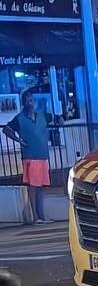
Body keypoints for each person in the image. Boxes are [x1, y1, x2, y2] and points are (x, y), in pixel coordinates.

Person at [2, 89, 51, 225]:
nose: (30, 103)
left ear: (34, 102)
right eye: (27, 101)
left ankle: (41, 216)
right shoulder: (20, 118)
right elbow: (6, 129)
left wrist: (60, 118)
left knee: (40, 186)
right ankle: (36, 217)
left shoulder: (41, 115)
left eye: (31, 100)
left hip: (42, 154)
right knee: (34, 186)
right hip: (31, 155)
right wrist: (19, 141)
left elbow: (56, 117)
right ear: (24, 103)